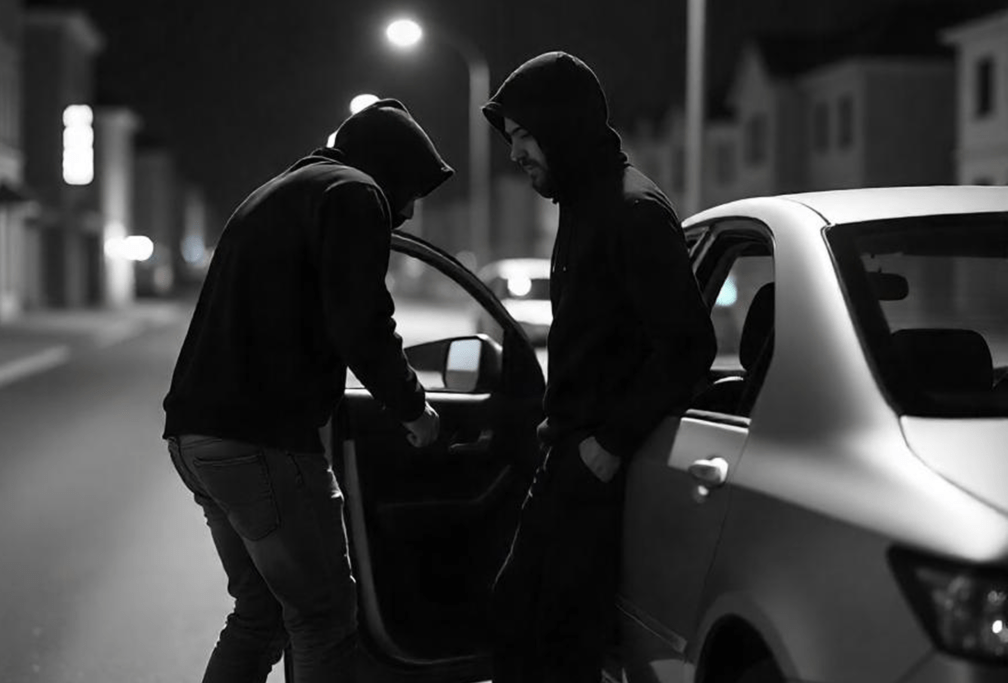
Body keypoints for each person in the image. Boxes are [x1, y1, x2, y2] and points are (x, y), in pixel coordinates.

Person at [162, 98, 453, 683]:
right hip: (261, 440)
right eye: (414, 190)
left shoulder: (281, 191)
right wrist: (413, 409)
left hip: (196, 436)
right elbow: (362, 323)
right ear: (390, 167)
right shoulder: (354, 194)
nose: (412, 211)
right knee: (322, 617)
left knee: (260, 614)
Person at [482, 52, 717, 683]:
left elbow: (687, 346)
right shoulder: (583, 203)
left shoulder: (632, 211)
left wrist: (608, 444)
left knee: (560, 643)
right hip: (566, 456)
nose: (516, 154)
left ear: (562, 126)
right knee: (518, 622)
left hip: (596, 467)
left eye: (525, 136)